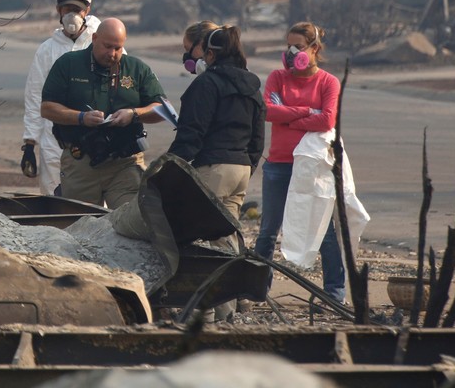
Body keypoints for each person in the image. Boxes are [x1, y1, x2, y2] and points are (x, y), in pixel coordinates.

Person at [254, 21, 346, 303]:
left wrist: (290, 115)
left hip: (312, 167)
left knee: (324, 230)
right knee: (268, 230)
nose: (292, 53)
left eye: (299, 47)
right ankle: (256, 289)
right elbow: (269, 111)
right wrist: (308, 111)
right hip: (279, 164)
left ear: (315, 49)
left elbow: (327, 119)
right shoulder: (277, 78)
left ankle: (335, 293)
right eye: (288, 46)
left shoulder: (328, 82)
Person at [40, 18, 167, 208]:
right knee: (78, 224)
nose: (112, 53)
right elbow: (47, 108)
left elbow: (163, 108)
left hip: (124, 163)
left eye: (118, 48)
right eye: (107, 46)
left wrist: (134, 114)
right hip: (81, 162)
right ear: (94, 38)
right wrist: (81, 118)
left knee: (133, 220)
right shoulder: (68, 64)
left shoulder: (136, 68)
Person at [170, 22, 266, 220]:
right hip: (242, 171)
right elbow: (258, 137)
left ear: (210, 55)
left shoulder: (206, 84)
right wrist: (249, 165)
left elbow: (192, 132)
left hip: (214, 168)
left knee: (197, 231)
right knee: (227, 235)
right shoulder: (252, 87)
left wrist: (169, 166)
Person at [21, 0, 100, 196]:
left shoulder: (103, 43)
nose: (72, 15)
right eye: (67, 8)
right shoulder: (47, 51)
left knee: (93, 202)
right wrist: (29, 142)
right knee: (54, 197)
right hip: (54, 139)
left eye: (77, 8)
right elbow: (35, 96)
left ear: (88, 9)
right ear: (58, 9)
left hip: (95, 136)